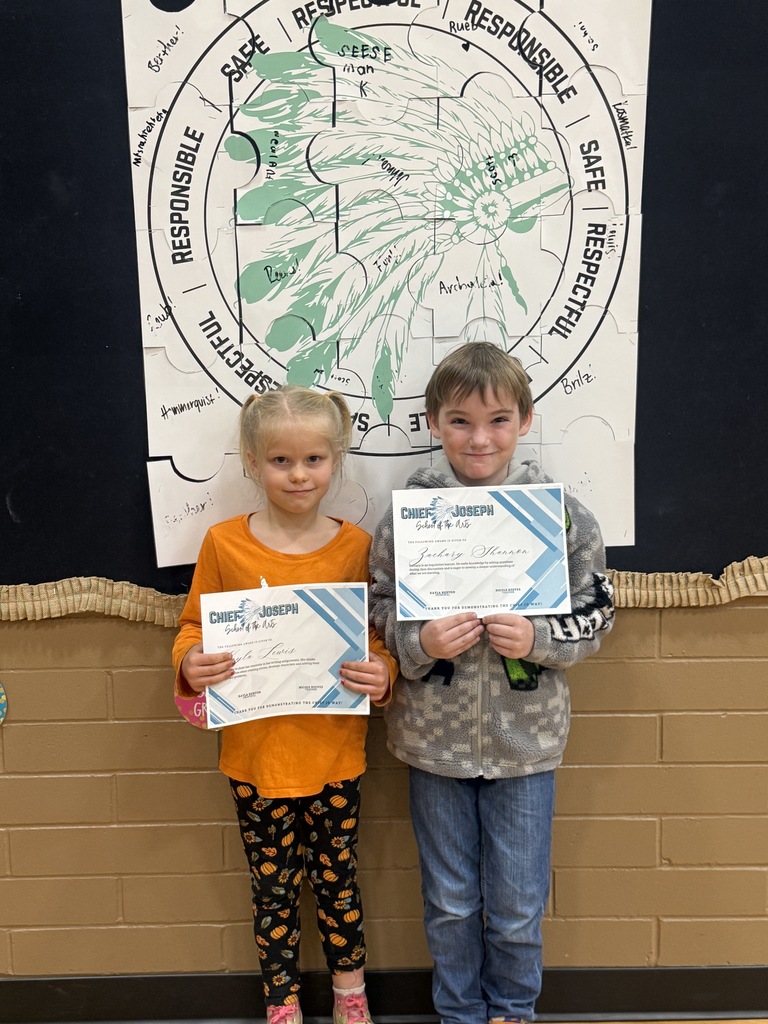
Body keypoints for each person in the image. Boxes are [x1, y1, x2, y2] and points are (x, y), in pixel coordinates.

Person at [369, 342, 615, 1024]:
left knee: (516, 907)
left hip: (525, 745)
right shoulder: (407, 517)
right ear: (433, 423)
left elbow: (597, 611)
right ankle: (459, 1014)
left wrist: (539, 639)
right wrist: (419, 643)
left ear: (525, 421)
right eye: (460, 421)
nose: (480, 439)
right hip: (434, 745)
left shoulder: (562, 516)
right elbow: (377, 604)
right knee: (450, 903)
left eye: (498, 420)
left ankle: (513, 1012)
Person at [173, 386, 398, 1024]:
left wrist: (383, 672)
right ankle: (282, 1001)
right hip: (255, 759)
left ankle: (351, 995)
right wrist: (190, 663)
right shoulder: (224, 544)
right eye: (280, 461)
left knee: (337, 884)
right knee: (272, 891)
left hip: (333, 756)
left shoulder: (356, 548)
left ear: (336, 460)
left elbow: (376, 637)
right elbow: (192, 628)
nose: (299, 475)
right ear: (252, 461)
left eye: (314, 459)